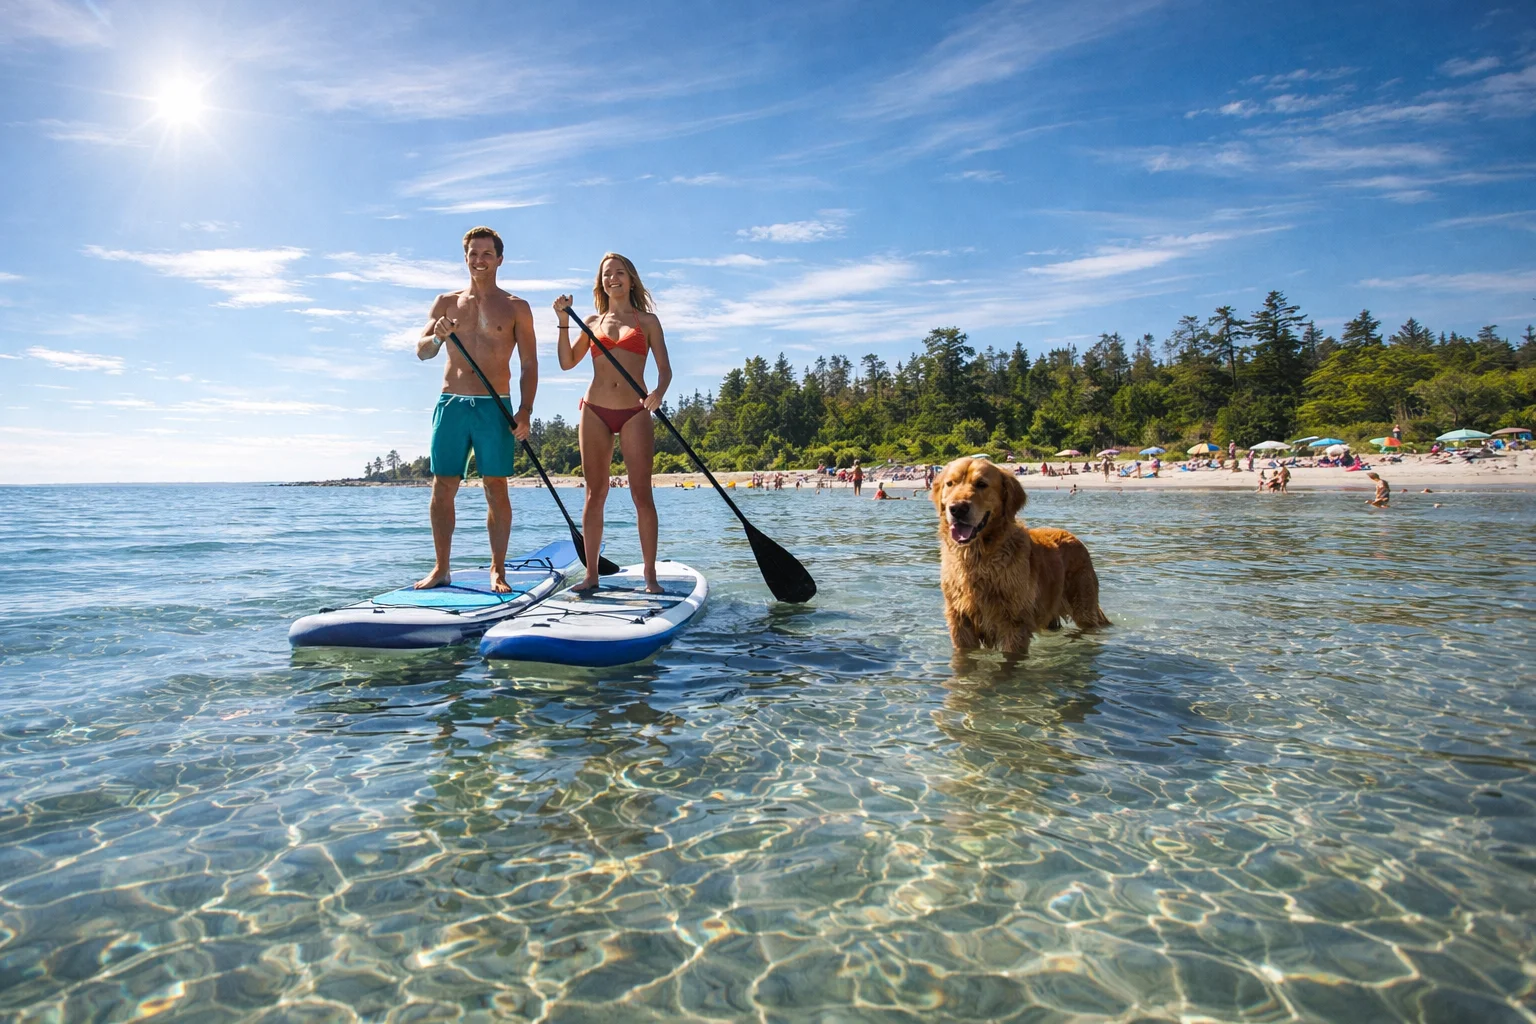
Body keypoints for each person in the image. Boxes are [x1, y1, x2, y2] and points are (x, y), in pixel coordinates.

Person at [414, 226, 537, 592]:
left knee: (496, 487)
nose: (479, 260)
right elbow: (422, 351)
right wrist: (437, 335)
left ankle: (498, 570)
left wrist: (526, 410)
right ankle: (442, 568)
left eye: (487, 254)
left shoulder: (516, 307)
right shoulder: (446, 303)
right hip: (451, 402)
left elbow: (529, 365)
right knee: (443, 486)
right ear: (465, 257)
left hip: (494, 405)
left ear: (500, 259)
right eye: (473, 253)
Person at [554, 253, 673, 594]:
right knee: (595, 493)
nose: (613, 278)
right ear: (601, 282)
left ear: (631, 279)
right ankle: (591, 575)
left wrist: (658, 393)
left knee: (641, 495)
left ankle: (650, 576)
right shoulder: (590, 321)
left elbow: (665, 370)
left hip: (635, 412)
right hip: (594, 411)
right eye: (607, 274)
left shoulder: (648, 322)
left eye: (620, 272)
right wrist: (563, 321)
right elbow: (566, 362)